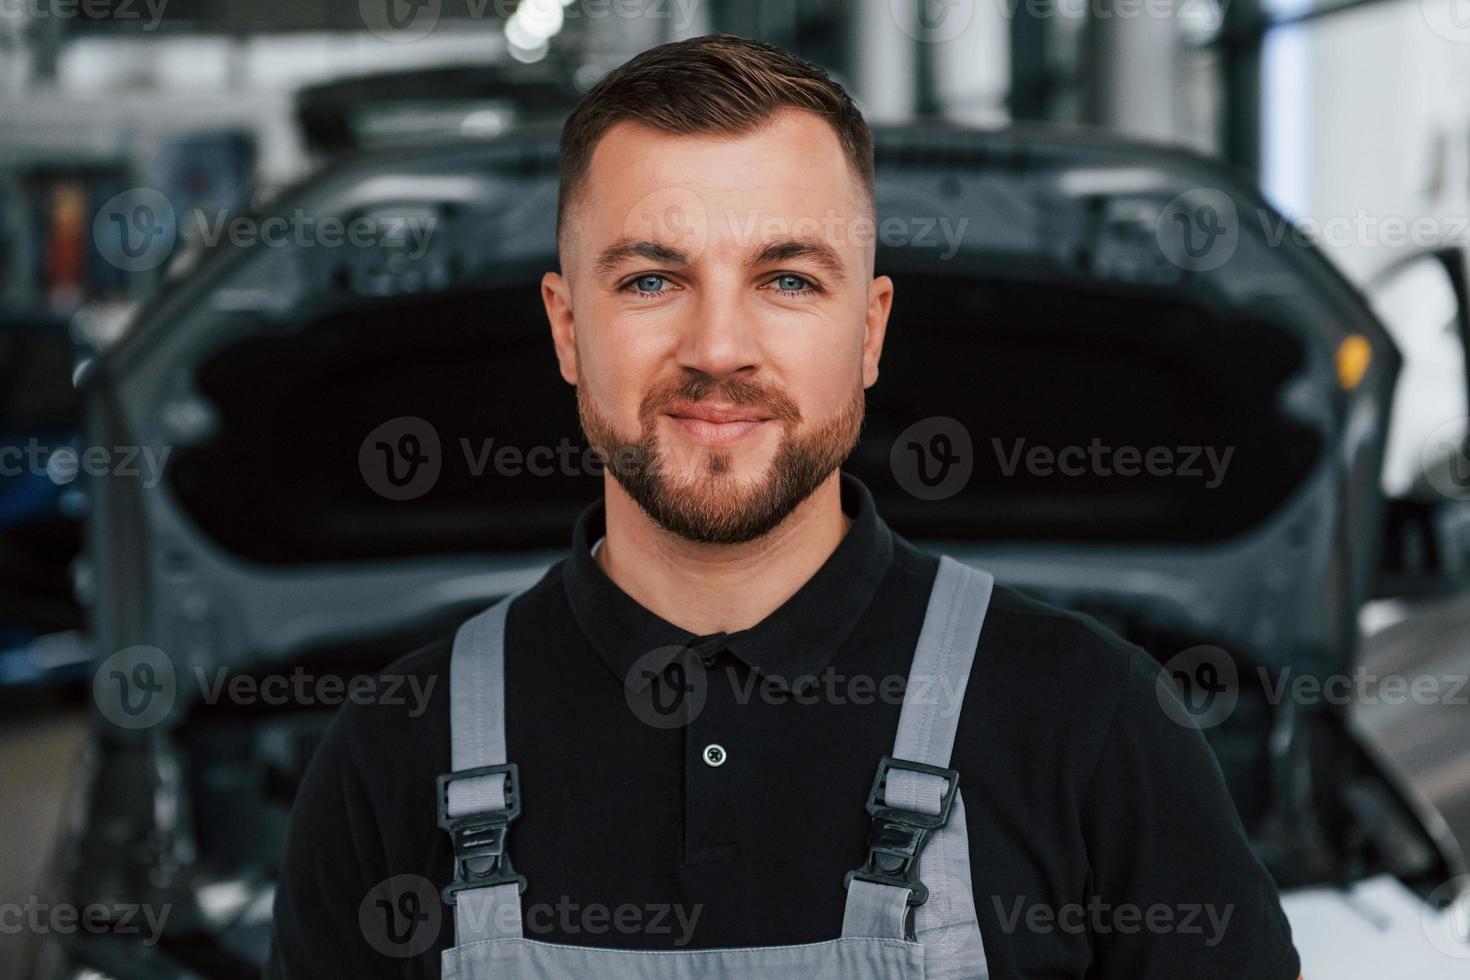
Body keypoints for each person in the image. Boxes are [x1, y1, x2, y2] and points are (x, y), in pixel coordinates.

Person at [268, 33, 1302, 979]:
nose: (719, 349)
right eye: (651, 280)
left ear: (870, 326)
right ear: (566, 324)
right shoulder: (399, 751)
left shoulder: (1091, 720)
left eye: (790, 280)